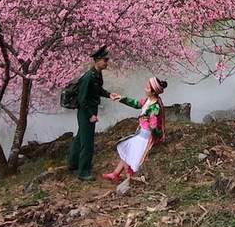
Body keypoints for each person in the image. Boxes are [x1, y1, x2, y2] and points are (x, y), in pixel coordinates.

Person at [67, 46, 119, 181]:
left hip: (90, 110)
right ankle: (84, 172)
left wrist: (109, 94)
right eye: (104, 60)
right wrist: (91, 115)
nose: (106, 63)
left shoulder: (97, 74)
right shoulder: (88, 77)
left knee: (80, 138)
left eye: (107, 60)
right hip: (86, 112)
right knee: (87, 141)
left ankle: (73, 164)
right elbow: (81, 99)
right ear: (97, 60)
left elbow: (97, 90)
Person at [103, 76, 167, 181]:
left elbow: (154, 125)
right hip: (141, 133)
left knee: (128, 151)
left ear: (153, 91)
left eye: (147, 87)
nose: (145, 89)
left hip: (145, 136)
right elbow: (137, 104)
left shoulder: (155, 107)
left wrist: (156, 134)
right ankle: (116, 174)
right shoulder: (147, 101)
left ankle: (128, 178)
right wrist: (122, 98)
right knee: (127, 151)